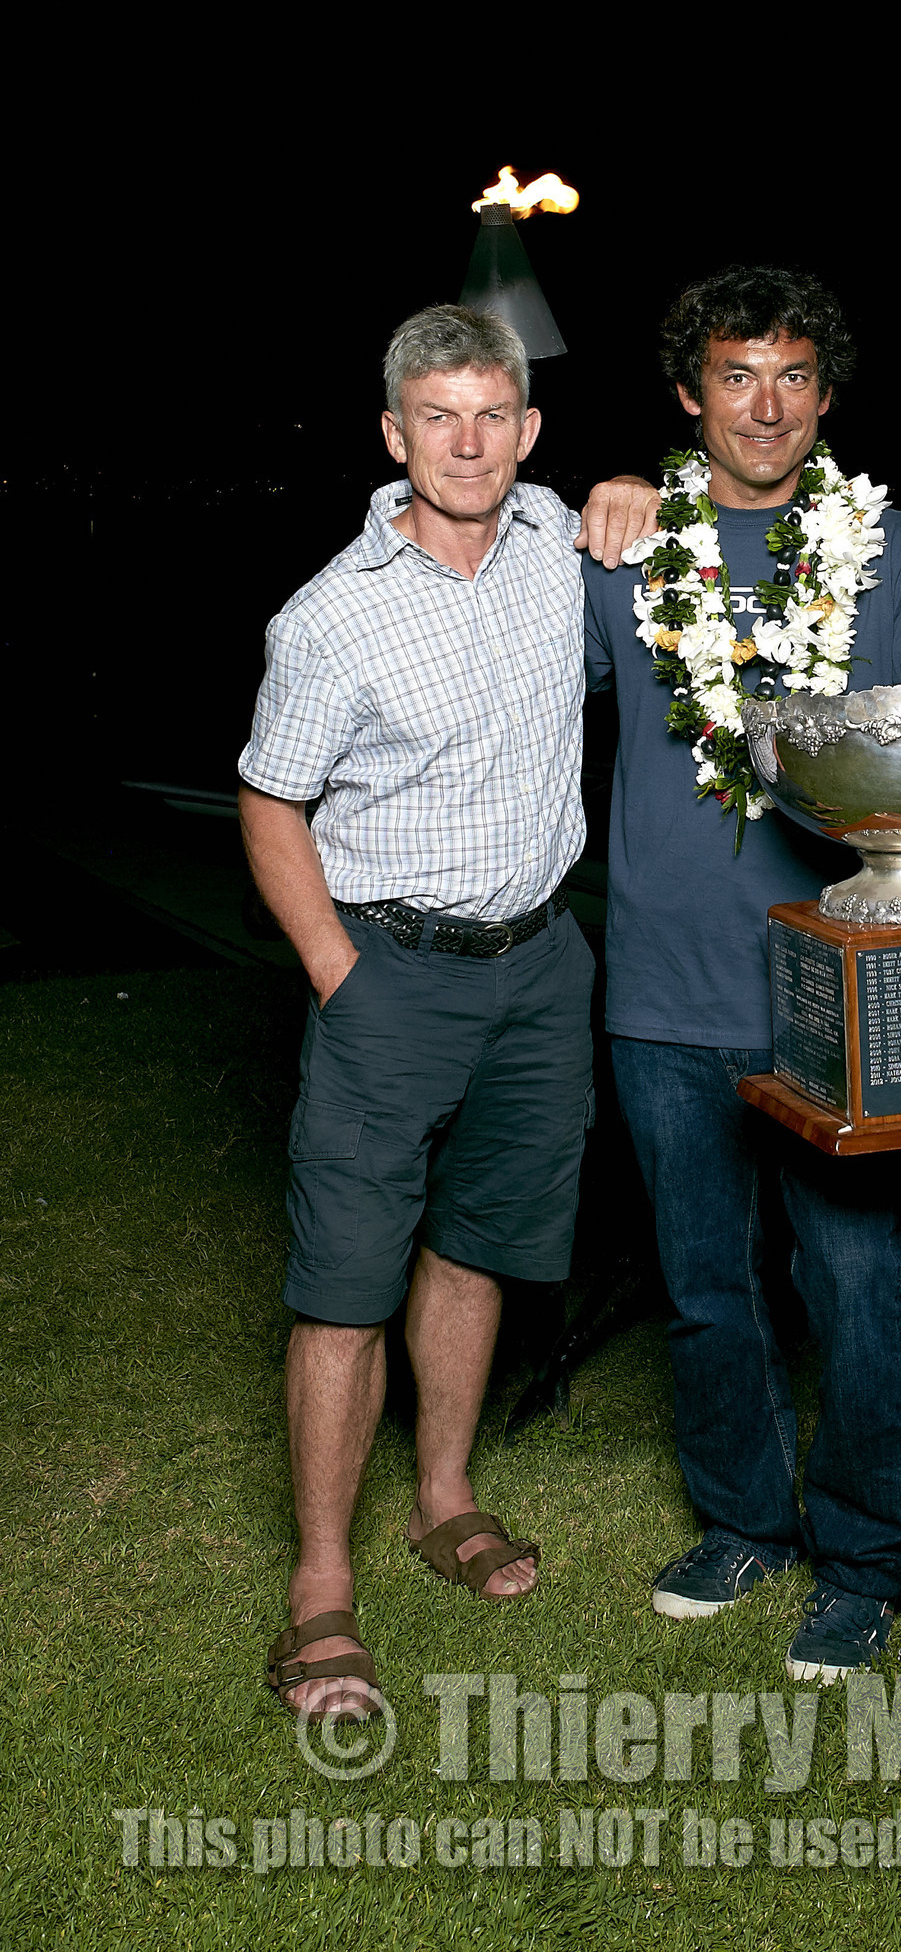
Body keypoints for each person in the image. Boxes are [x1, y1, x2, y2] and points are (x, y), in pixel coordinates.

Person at [580, 264, 901, 1681]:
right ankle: (741, 1522)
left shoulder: (894, 552)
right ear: (688, 394)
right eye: (736, 376)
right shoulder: (624, 552)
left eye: (791, 377)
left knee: (856, 1277)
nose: (764, 407)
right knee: (705, 1282)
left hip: (838, 982)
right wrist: (598, 495)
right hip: (665, 981)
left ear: (827, 397)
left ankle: (867, 1558)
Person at [239, 304, 597, 1723]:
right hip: (392, 969)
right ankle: (319, 1585)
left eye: (493, 414)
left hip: (541, 966)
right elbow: (272, 805)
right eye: (438, 417)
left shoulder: (557, 542)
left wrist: (637, 488)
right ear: (395, 436)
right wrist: (342, 973)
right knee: (346, 1279)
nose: (468, 442)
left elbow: (662, 523)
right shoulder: (330, 617)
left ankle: (443, 1496)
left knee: (481, 1239)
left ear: (529, 430)